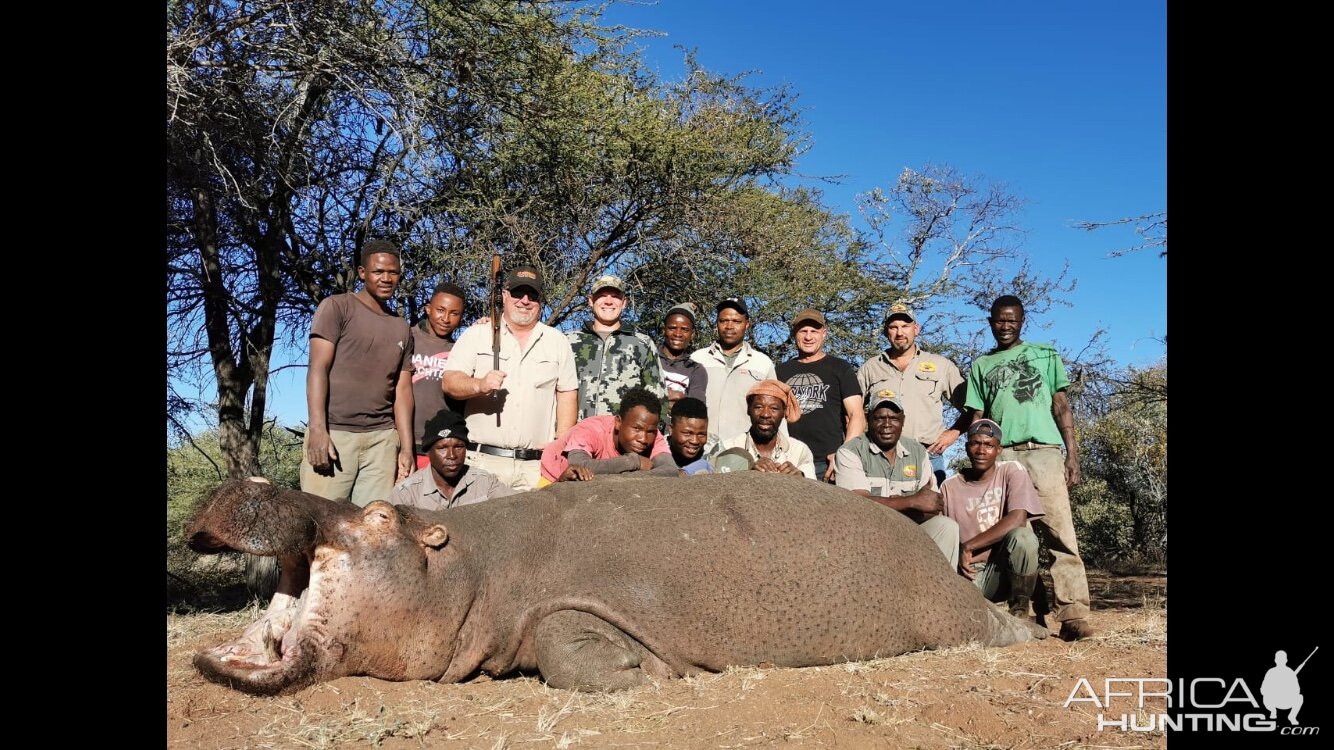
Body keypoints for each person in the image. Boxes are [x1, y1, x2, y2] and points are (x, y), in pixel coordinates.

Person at [966, 294, 1093, 641]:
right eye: (999, 320)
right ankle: (1024, 611)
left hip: (1044, 451)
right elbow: (978, 416)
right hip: (1003, 455)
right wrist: (975, 459)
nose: (1005, 326)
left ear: (1022, 321)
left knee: (1059, 534)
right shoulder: (981, 365)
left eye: (1012, 320)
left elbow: (1061, 405)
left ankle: (1074, 614)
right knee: (1012, 535)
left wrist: (1072, 454)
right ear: (990, 322)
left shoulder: (1045, 354)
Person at [442, 265, 578, 491]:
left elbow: (567, 394)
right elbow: (450, 382)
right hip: (482, 462)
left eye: (532, 295)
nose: (525, 300)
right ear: (504, 295)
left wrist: (559, 448)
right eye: (518, 293)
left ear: (540, 301)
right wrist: (479, 384)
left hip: (536, 467)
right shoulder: (477, 334)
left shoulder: (558, 342)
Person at [302, 238, 415, 507]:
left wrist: (406, 447)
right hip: (335, 435)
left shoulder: (401, 327)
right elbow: (318, 368)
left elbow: (402, 389)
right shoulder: (337, 307)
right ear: (363, 273)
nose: (386, 278)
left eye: (393, 272)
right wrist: (318, 429)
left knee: (373, 529)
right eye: (378, 272)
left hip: (382, 441)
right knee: (320, 523)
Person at [834, 393, 960, 569]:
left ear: (903, 421)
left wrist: (900, 504)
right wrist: (910, 502)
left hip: (909, 530)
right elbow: (855, 504)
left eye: (893, 418)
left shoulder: (918, 452)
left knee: (947, 526)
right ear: (868, 420)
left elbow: (933, 505)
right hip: (866, 534)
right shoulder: (850, 451)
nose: (887, 425)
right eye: (879, 418)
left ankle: (943, 590)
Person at [939, 419, 1045, 617]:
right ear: (966, 447)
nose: (981, 450)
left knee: (1024, 538)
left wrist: (968, 546)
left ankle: (1020, 610)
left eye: (988, 445)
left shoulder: (1012, 470)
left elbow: (1017, 518)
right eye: (975, 443)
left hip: (1005, 567)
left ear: (999, 450)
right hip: (970, 574)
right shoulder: (948, 487)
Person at [857, 302, 970, 487]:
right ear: (886, 332)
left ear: (916, 329)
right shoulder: (870, 368)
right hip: (880, 456)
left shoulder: (941, 365)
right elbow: (853, 412)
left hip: (928, 455)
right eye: (893, 327)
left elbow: (972, 406)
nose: (900, 332)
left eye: (905, 326)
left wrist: (953, 433)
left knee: (931, 512)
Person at [776, 308, 865, 482]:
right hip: (789, 461)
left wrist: (843, 456)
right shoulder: (780, 371)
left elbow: (857, 415)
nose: (808, 337)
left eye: (814, 331)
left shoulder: (840, 368)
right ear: (795, 334)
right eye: (803, 331)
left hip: (827, 462)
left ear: (824, 334)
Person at [566, 274, 665, 420]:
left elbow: (657, 396)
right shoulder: (569, 341)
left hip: (623, 438)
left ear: (624, 302)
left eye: (615, 296)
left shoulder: (642, 343)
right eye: (602, 295)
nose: (608, 301)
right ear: (590, 301)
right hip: (577, 436)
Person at [539, 387, 679, 483]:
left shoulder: (653, 433)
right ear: (618, 422)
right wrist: (632, 462)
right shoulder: (590, 429)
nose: (643, 438)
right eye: (636, 428)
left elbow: (670, 470)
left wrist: (634, 476)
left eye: (650, 432)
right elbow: (579, 465)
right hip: (553, 475)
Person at [690, 296, 778, 449]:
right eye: (723, 321)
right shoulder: (697, 358)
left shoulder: (763, 363)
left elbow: (776, 411)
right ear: (716, 324)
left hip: (745, 450)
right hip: (701, 448)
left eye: (737, 321)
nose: (729, 326)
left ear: (747, 324)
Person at [390, 409, 514, 510]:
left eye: (458, 447)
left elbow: (519, 501)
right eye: (442, 448)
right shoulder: (406, 495)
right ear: (428, 452)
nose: (452, 455)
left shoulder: (485, 483)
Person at [409, 282, 466, 470]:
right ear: (428, 309)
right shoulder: (408, 337)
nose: (446, 318)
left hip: (437, 446)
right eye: (440, 310)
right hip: (401, 442)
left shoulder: (459, 350)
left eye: (454, 313)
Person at [715, 380, 816, 479]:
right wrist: (747, 470)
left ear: (784, 412)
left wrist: (801, 477)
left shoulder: (799, 450)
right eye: (758, 407)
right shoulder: (729, 447)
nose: (765, 414)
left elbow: (816, 489)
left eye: (774, 408)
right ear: (748, 409)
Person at [657, 302, 710, 423]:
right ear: (663, 329)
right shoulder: (649, 358)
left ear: (692, 334)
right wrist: (669, 398)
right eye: (672, 328)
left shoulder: (696, 370)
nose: (678, 334)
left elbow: (696, 409)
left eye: (685, 330)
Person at [666, 397, 712, 475]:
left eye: (701, 434)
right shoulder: (659, 449)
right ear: (671, 430)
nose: (695, 441)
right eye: (687, 433)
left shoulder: (713, 447)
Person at [1261, 650, 1304, 725]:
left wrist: (1287, 689)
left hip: (1287, 701)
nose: (1281, 661)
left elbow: (1297, 690)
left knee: (1300, 697)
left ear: (1286, 660)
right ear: (1275, 660)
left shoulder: (1290, 672)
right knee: (1266, 696)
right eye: (1279, 659)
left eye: (1282, 659)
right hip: (1273, 701)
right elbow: (1263, 690)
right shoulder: (1271, 672)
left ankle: (1292, 716)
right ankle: (1273, 711)